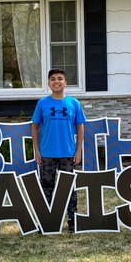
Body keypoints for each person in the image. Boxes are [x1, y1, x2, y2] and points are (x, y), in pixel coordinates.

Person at [31, 68, 86, 232]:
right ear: (48, 83)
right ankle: (46, 222)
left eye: (60, 78)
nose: (56, 81)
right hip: (47, 153)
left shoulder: (73, 103)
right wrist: (36, 150)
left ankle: (73, 222)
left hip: (68, 154)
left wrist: (78, 150)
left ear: (65, 82)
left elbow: (80, 127)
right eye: (53, 79)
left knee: (69, 188)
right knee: (46, 187)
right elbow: (34, 127)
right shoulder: (42, 103)